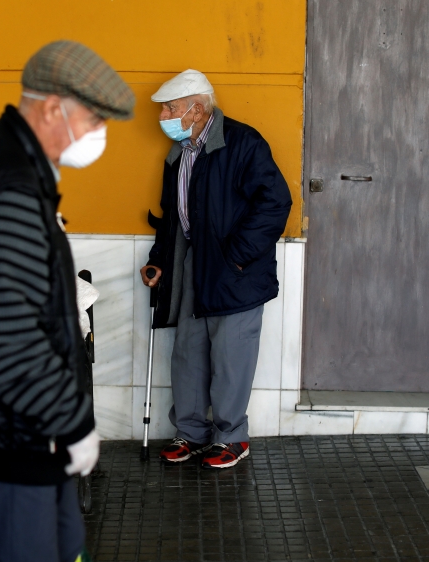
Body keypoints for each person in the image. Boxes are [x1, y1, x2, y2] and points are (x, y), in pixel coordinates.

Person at [0, 41, 134, 562]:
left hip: (21, 431)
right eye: (94, 120)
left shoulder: (7, 162)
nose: (99, 134)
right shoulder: (10, 184)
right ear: (52, 108)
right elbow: (9, 337)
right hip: (11, 438)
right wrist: (75, 422)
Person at [141, 69, 292, 469]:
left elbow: (275, 202)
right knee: (188, 354)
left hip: (235, 269)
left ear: (196, 109)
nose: (162, 117)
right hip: (194, 263)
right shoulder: (179, 153)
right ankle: (190, 433)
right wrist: (159, 260)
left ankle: (231, 438)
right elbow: (172, 215)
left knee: (230, 356)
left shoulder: (243, 143)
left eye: (170, 109)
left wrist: (237, 256)